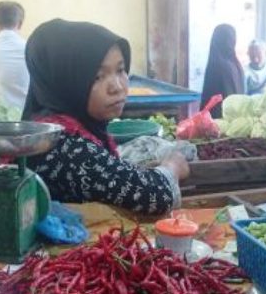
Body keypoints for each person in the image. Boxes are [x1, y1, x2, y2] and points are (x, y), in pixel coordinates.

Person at [23, 19, 189, 216]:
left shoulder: (54, 130)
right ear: (63, 82)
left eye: (120, 70)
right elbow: (154, 194)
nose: (117, 87)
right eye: (97, 76)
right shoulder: (65, 147)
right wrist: (173, 166)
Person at [200, 24, 244, 118]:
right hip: (234, 116)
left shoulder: (217, 64)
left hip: (219, 118)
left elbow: (211, 97)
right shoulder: (235, 63)